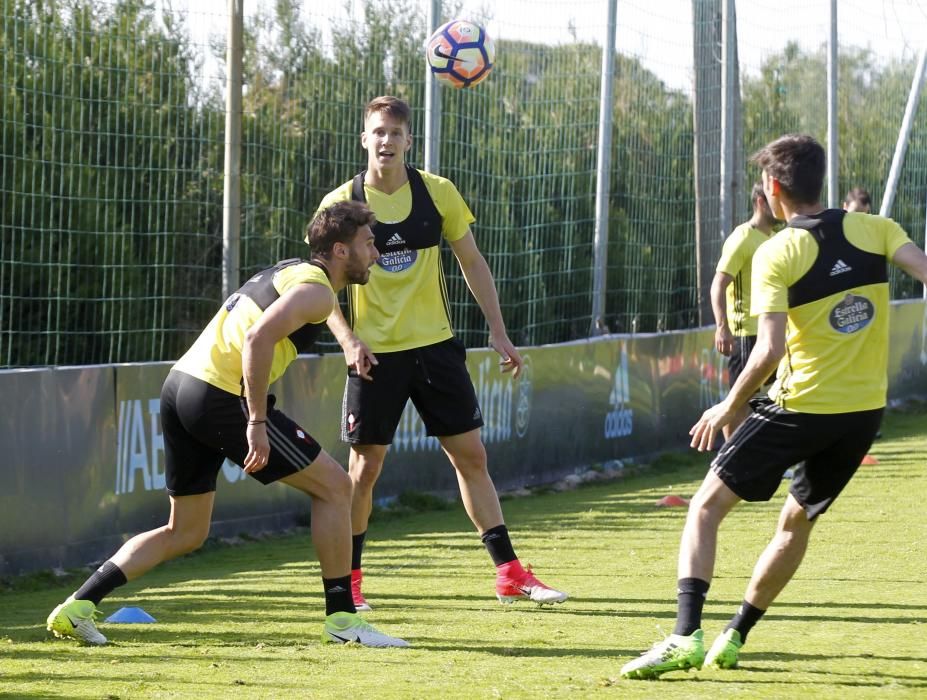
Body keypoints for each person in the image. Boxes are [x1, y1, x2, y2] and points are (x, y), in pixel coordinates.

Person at [620, 134, 927, 679]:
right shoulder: (876, 230)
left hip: (798, 408)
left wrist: (729, 407)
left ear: (774, 187)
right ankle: (735, 634)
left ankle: (684, 636)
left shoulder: (777, 253)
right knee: (796, 522)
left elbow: (768, 349)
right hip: (862, 415)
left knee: (705, 508)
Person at [46, 201, 409, 648]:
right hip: (220, 396)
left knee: (186, 531)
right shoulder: (316, 291)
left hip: (181, 386)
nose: (376, 253)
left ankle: (77, 607)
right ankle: (342, 620)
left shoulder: (290, 270)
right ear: (339, 250)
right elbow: (257, 338)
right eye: (368, 243)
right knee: (336, 488)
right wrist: (256, 419)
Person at [312, 95, 567, 611]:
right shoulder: (341, 203)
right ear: (364, 138)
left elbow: (472, 261)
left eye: (396, 133)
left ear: (409, 141)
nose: (386, 141)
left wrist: (497, 331)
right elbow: (317, 284)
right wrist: (348, 339)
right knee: (364, 470)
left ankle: (510, 573)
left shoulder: (437, 193)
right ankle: (353, 580)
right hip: (375, 357)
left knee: (472, 457)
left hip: (435, 349)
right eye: (378, 132)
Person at [710, 181, 779, 440]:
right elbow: (718, 284)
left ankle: (757, 450)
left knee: (770, 395)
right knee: (740, 398)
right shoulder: (742, 237)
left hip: (769, 332)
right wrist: (722, 326)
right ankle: (729, 456)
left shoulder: (772, 239)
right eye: (774, 199)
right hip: (746, 334)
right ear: (761, 202)